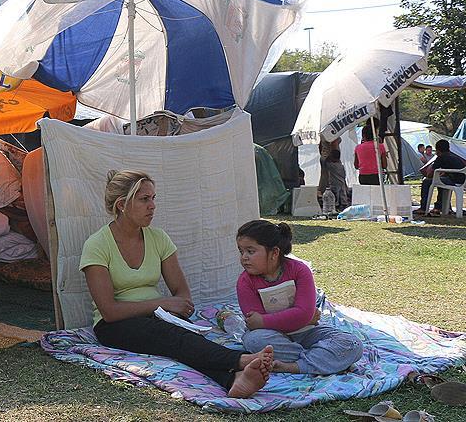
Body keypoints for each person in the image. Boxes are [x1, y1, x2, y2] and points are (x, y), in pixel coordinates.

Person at [80, 170, 273, 398]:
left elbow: (182, 295)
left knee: (183, 342)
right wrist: (161, 303)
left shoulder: (159, 238)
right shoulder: (97, 244)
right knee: (171, 337)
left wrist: (177, 306)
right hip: (116, 325)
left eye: (153, 198)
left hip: (159, 317)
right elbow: (109, 311)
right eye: (144, 199)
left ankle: (233, 379)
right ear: (122, 204)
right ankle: (240, 360)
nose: (152, 206)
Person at [236, 220, 363, 375]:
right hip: (274, 337)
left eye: (250, 251)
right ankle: (320, 360)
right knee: (254, 340)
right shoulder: (245, 281)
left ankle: (291, 366)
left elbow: (301, 313)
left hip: (307, 331)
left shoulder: (299, 271)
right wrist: (299, 318)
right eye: (241, 252)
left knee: (352, 343)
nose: (244, 258)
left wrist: (268, 320)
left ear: (274, 253)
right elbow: (254, 323)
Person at [419, 139, 466, 215]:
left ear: (437, 150)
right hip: (462, 180)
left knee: (427, 181)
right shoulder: (454, 156)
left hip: (454, 181)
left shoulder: (440, 157)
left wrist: (433, 164)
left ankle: (423, 207)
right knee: (441, 182)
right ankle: (442, 207)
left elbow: (429, 174)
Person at [317, 138, 341, 204]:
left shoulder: (323, 133)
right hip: (331, 158)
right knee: (334, 178)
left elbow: (320, 146)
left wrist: (323, 153)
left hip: (324, 156)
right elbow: (334, 144)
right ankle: (333, 196)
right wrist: (335, 158)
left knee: (324, 176)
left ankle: (321, 192)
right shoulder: (333, 132)